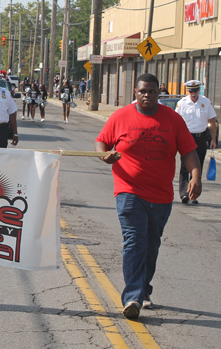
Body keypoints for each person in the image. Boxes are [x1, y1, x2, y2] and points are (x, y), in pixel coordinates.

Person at [95, 73, 201, 320]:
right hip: (128, 189)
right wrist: (104, 155)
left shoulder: (172, 119)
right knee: (134, 241)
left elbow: (189, 151)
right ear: (135, 92)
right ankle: (133, 296)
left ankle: (143, 289)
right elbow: (101, 142)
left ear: (158, 93)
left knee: (151, 244)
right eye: (142, 91)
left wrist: (196, 177)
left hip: (162, 195)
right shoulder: (121, 116)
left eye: (151, 91)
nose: (146, 95)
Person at [175, 80, 217, 204]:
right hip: (187, 137)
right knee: (184, 166)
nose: (193, 93)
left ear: (199, 90)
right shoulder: (182, 103)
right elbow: (176, 122)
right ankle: (184, 193)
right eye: (191, 91)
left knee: (198, 166)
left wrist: (214, 139)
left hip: (201, 137)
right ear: (188, 91)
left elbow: (212, 122)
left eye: (195, 90)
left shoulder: (205, 102)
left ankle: (193, 193)